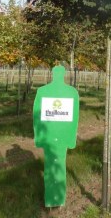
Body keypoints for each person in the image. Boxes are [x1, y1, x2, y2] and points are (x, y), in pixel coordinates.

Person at [33, 65, 79, 207]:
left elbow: (36, 117)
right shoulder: (72, 92)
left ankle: (52, 200)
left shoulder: (42, 91)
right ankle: (58, 200)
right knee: (59, 165)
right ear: (63, 74)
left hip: (48, 136)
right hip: (62, 136)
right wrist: (72, 138)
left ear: (52, 74)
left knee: (50, 166)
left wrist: (39, 137)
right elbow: (74, 119)